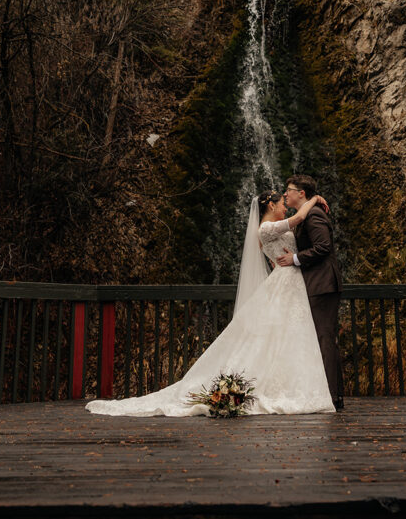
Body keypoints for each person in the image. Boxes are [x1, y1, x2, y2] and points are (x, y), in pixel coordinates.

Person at [85, 189, 335, 416]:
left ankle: (290, 384)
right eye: (281, 203)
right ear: (270, 205)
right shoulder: (267, 228)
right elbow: (299, 218)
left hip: (288, 279)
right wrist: (314, 198)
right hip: (287, 279)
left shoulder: (268, 230)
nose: (284, 206)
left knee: (286, 335)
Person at [276, 175, 344, 410]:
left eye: (289, 190)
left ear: (301, 193)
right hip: (317, 284)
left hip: (322, 284)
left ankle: (331, 397)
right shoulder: (309, 212)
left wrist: (294, 259)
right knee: (323, 338)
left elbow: (323, 247)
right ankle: (333, 395)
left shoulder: (314, 214)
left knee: (324, 339)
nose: (285, 194)